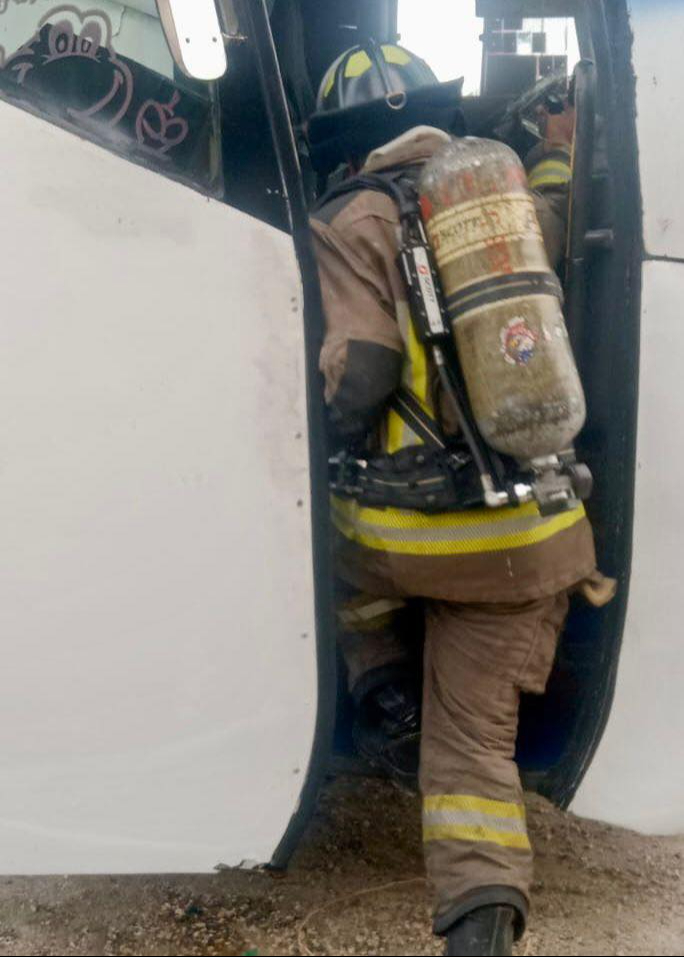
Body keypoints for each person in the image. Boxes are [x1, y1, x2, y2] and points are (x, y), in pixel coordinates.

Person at [308, 41, 613, 957]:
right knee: (474, 753)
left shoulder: (347, 214)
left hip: (403, 542)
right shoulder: (508, 197)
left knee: (312, 556)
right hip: (536, 536)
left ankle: (386, 693)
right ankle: (481, 925)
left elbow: (358, 373)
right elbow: (567, 221)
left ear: (349, 140)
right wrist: (557, 142)